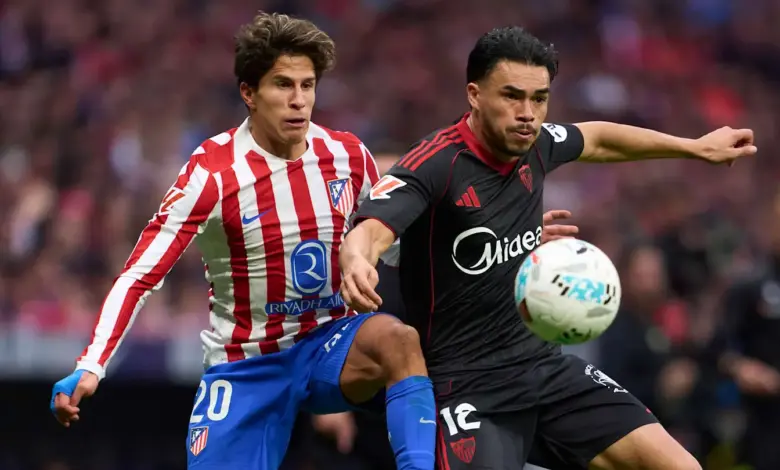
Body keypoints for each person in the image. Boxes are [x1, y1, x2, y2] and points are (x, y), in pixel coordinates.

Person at [339, 26, 756, 470]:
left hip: (544, 369)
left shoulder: (535, 145)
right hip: (465, 387)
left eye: (539, 99)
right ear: (474, 95)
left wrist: (694, 147)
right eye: (512, 96)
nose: (527, 113)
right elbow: (372, 227)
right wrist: (357, 260)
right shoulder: (433, 165)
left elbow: (598, 138)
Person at [49, 12, 437, 470]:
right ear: (249, 93)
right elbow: (140, 275)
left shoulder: (349, 156)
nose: (298, 101)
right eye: (283, 85)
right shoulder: (213, 173)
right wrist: (92, 362)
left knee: (399, 340)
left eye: (308, 85)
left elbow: (394, 248)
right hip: (248, 364)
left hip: (330, 343)